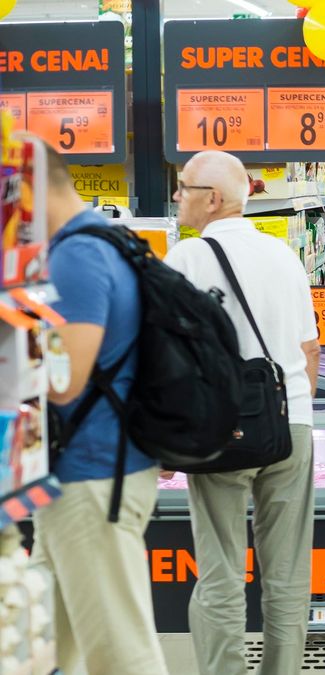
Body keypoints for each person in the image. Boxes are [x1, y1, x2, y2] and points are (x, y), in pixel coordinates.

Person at [163, 150, 322, 675]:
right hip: (290, 426)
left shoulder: (185, 261)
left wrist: (170, 437)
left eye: (183, 186)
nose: (177, 195)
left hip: (219, 431)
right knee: (289, 573)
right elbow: (309, 350)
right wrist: (295, 412)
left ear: (213, 199)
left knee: (220, 573)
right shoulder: (284, 256)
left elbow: (168, 360)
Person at [28, 138, 169, 675]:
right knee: (46, 647)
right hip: (84, 473)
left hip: (93, 479)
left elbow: (66, 381)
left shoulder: (77, 255)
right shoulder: (103, 241)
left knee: (120, 653)